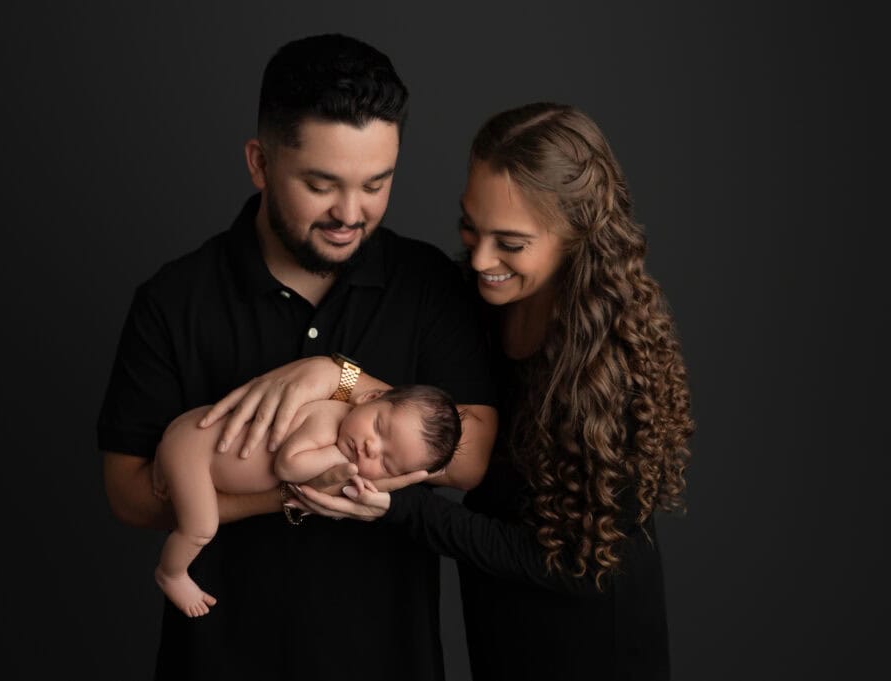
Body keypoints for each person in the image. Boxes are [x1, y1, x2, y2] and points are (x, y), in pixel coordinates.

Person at [224, 102, 695, 680]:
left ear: (576, 237)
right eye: (470, 225)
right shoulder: (474, 303)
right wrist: (336, 376)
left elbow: (573, 564)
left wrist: (399, 505)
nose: (479, 258)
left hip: (591, 643)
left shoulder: (608, 363)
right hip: (498, 620)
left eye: (511, 243)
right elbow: (411, 413)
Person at [97, 33, 497, 681]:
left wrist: (337, 375)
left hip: (388, 658)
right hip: (218, 659)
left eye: (377, 184)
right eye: (321, 184)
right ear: (259, 163)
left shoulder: (427, 284)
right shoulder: (174, 299)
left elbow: (472, 454)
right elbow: (129, 494)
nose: (350, 213)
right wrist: (297, 491)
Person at [153, 385, 461, 617]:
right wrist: (341, 458)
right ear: (369, 398)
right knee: (201, 528)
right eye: (379, 428)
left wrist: (378, 477)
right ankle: (171, 574)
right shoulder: (328, 419)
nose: (370, 447)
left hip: (191, 437)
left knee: (179, 480)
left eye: (386, 461)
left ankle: (165, 465)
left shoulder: (347, 439)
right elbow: (287, 466)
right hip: (196, 453)